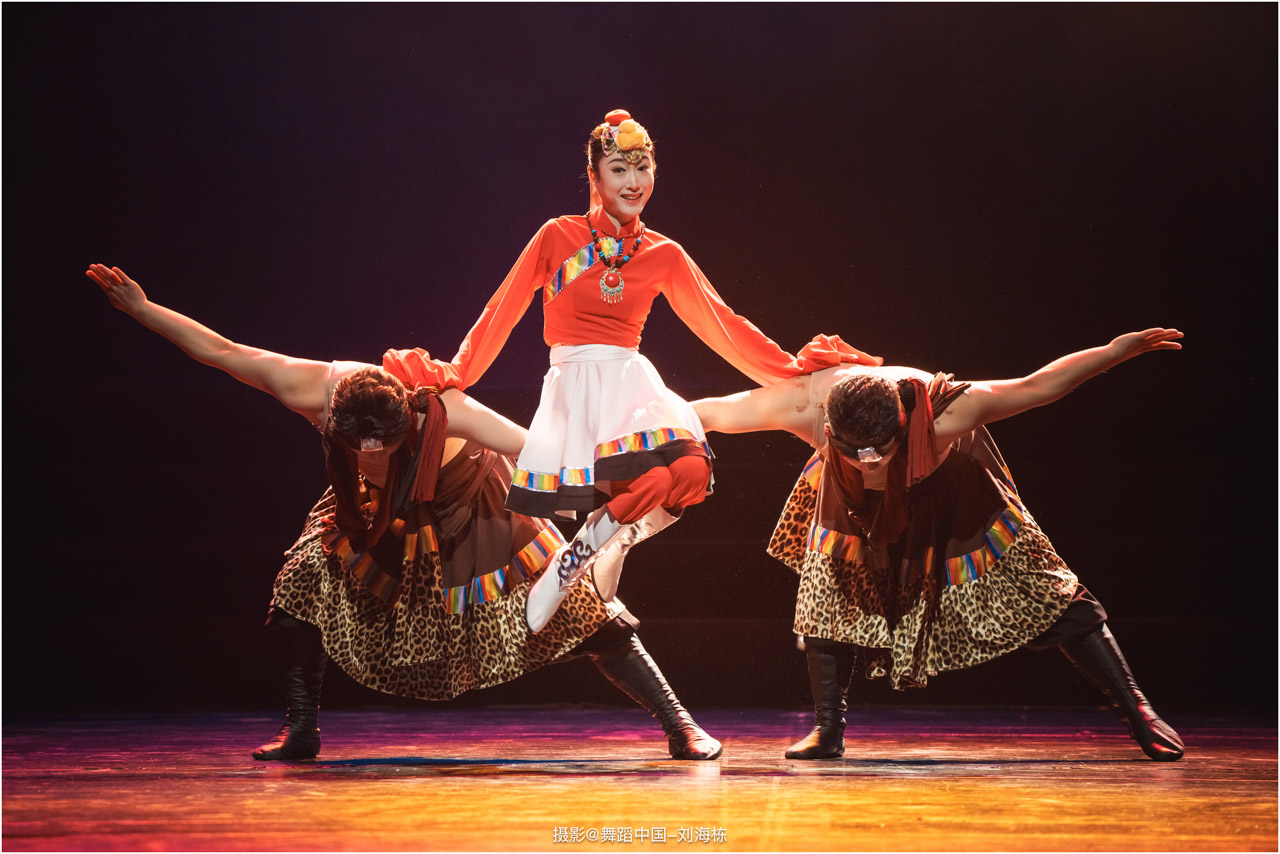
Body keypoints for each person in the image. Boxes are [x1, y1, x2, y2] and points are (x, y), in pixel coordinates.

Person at [86, 263, 723, 761]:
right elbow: (225, 352)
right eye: (356, 447)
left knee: (580, 609)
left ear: (406, 425)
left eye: (383, 448)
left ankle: (680, 725)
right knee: (301, 580)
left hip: (473, 506)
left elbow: (542, 455)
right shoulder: (315, 389)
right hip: (375, 515)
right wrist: (144, 311)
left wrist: (633, 485)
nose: (369, 455)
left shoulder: (444, 410)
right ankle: (301, 729)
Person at [383, 109, 878, 631]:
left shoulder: (663, 253)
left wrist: (791, 368)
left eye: (643, 169)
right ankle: (578, 561)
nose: (633, 182)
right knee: (656, 477)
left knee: (692, 472)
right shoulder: (558, 236)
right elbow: (500, 311)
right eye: (619, 169)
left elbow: (723, 324)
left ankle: (596, 548)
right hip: (577, 383)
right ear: (594, 177)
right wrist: (456, 372)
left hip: (629, 381)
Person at [692, 327, 1186, 761]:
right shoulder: (800, 405)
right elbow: (703, 413)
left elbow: (1037, 386)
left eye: (882, 451)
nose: (871, 463)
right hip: (852, 503)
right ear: (827, 431)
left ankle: (1137, 708)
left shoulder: (948, 411)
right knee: (827, 596)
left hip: (946, 489)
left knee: (1043, 593)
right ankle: (828, 730)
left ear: (903, 425)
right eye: (856, 453)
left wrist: (1113, 351)